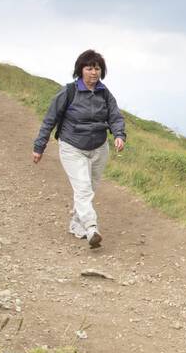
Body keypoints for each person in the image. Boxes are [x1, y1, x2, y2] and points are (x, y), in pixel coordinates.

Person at [32, 49, 127, 247]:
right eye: (89, 68)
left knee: (89, 188)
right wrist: (39, 147)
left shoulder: (104, 93)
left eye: (98, 68)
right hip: (72, 147)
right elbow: (50, 120)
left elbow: (115, 116)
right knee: (83, 188)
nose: (94, 72)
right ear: (80, 70)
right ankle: (91, 229)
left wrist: (119, 135)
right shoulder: (68, 92)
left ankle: (76, 224)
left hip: (99, 148)